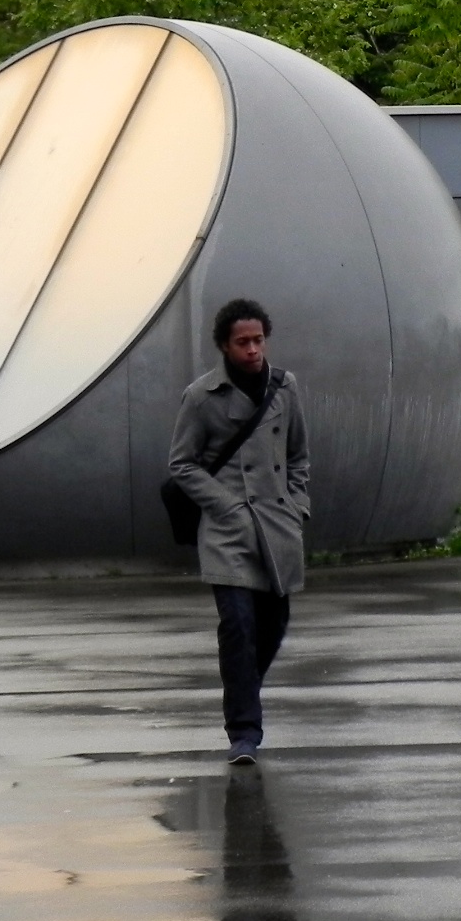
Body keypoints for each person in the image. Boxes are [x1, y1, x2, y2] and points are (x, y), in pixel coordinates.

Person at [168, 298, 310, 766]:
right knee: (237, 626)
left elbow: (297, 455)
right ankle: (244, 733)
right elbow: (182, 464)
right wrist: (224, 504)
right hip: (228, 532)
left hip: (277, 526)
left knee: (274, 626)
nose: (252, 350)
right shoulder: (202, 396)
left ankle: (243, 690)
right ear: (225, 346)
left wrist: (297, 504)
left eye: (258, 340)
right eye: (242, 342)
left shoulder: (284, 387)